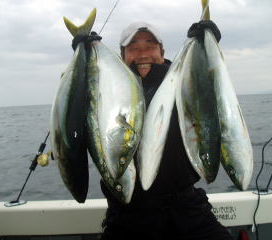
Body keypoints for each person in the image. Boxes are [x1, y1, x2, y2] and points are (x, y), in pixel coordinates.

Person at [98, 21, 233, 240]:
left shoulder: (183, 83)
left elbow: (212, 89)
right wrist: (88, 53)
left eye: (150, 46)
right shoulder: (106, 92)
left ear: (162, 51)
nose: (142, 54)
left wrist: (207, 48)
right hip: (127, 216)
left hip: (188, 211)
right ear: (122, 55)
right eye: (133, 48)